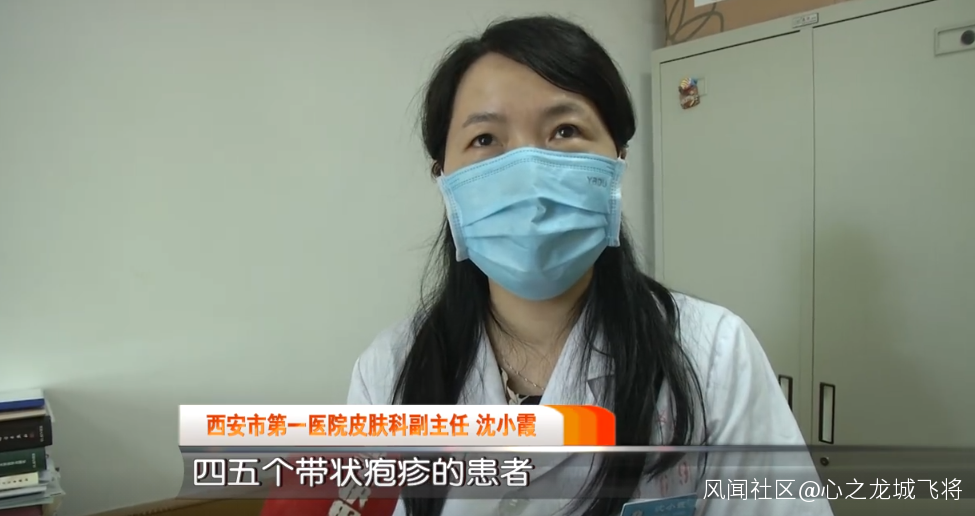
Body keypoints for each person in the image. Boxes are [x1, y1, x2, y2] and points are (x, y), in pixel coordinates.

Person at [346, 15, 833, 516]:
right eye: (486, 139)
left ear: (616, 159)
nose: (529, 175)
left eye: (565, 130)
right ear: (444, 178)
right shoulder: (388, 374)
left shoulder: (712, 355)